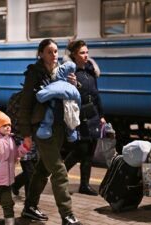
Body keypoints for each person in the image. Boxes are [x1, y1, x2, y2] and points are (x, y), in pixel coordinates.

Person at [18, 39, 82, 225]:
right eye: (49, 52)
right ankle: (67, 215)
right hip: (42, 128)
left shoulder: (61, 72)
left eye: (55, 52)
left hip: (59, 126)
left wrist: (74, 84)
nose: (54, 56)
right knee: (59, 171)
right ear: (40, 54)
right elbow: (25, 105)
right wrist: (27, 134)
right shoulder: (34, 73)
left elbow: (70, 96)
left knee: (42, 170)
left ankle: (29, 207)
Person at [63, 40, 106, 196]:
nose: (86, 55)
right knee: (79, 150)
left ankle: (84, 185)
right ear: (74, 55)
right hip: (79, 115)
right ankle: (59, 177)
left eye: (87, 52)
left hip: (92, 113)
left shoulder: (90, 71)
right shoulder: (70, 73)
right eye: (82, 52)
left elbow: (96, 94)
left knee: (89, 152)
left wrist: (101, 115)